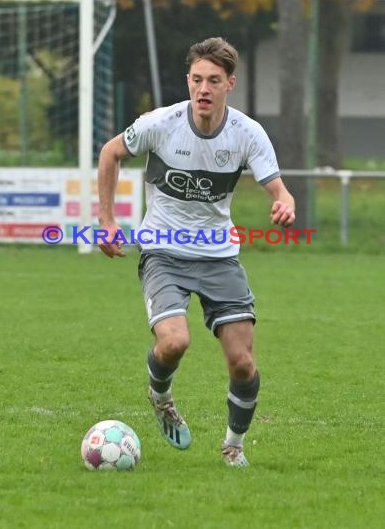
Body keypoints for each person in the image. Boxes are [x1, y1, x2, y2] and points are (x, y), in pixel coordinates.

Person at [98, 37, 295, 467]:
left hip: (219, 255)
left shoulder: (247, 134)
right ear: (188, 81)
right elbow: (111, 153)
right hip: (163, 251)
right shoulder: (160, 123)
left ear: (230, 84)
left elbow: (277, 187)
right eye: (197, 79)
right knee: (174, 342)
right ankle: (161, 394)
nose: (203, 89)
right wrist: (108, 221)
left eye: (214, 81)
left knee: (242, 362)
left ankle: (233, 446)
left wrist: (284, 201)